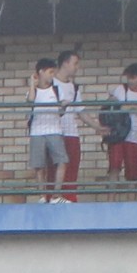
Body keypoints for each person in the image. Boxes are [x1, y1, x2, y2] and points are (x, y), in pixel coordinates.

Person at [27, 57, 69, 201]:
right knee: (39, 165)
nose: (52, 76)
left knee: (61, 161)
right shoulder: (33, 91)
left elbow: (61, 112)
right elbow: (30, 101)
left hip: (54, 130)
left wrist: (63, 105)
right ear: (41, 72)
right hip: (37, 131)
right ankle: (42, 196)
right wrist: (32, 84)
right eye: (50, 72)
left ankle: (56, 195)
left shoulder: (57, 90)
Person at [103, 63, 137, 184]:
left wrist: (134, 107)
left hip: (135, 136)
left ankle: (132, 201)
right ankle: (111, 200)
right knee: (114, 167)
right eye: (128, 78)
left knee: (133, 172)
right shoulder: (119, 89)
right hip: (118, 135)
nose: (130, 81)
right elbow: (107, 109)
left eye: (133, 78)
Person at [53, 48, 85, 201]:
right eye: (75, 63)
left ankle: (70, 199)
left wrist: (97, 127)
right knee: (53, 170)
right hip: (54, 133)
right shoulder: (50, 83)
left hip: (72, 134)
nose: (77, 67)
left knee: (72, 169)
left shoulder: (75, 87)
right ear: (65, 63)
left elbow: (81, 111)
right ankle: (51, 199)